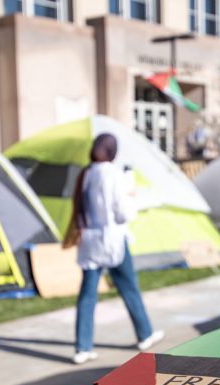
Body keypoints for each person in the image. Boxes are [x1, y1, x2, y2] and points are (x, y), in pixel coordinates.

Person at [65, 133, 164, 365]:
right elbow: (123, 213)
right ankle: (145, 334)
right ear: (113, 151)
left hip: (90, 241)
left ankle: (82, 347)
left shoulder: (86, 173)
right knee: (129, 286)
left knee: (88, 294)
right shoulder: (114, 174)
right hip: (113, 239)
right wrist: (132, 197)